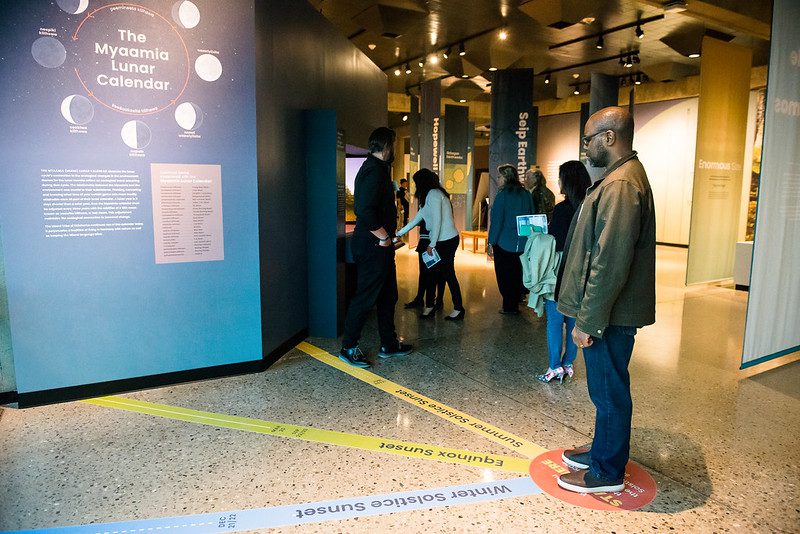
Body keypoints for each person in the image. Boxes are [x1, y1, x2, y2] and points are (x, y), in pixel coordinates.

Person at [556, 106, 656, 494]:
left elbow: (608, 261)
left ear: (610, 138)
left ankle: (606, 471)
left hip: (608, 316)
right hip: (608, 314)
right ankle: (603, 449)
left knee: (609, 391)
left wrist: (587, 321)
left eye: (589, 138)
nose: (585, 147)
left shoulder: (620, 185)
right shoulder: (619, 178)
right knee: (605, 389)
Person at [339, 127, 413, 368]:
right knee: (366, 296)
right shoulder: (374, 171)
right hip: (373, 245)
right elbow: (365, 210)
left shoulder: (378, 169)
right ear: (386, 146)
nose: (395, 149)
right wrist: (383, 237)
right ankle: (349, 347)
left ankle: (388, 344)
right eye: (394, 144)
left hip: (380, 246)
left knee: (388, 295)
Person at [536, 160, 592, 384]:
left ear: (566, 182)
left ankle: (554, 366)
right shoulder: (590, 205)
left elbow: (557, 242)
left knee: (554, 322)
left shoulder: (561, 209)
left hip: (560, 271)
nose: (558, 182)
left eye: (560, 178)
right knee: (572, 321)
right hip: (582, 273)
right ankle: (569, 363)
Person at [397, 169, 465, 320]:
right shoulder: (430, 195)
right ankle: (430, 306)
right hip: (441, 240)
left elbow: (437, 220)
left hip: (446, 240)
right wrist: (399, 233)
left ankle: (458, 308)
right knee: (432, 273)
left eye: (416, 182)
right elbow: (417, 218)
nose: (414, 185)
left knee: (448, 274)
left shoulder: (434, 194)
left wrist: (432, 244)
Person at [487, 164, 534, 314]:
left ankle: (509, 306)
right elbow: (531, 215)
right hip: (523, 242)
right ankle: (516, 299)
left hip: (504, 242)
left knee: (504, 275)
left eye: (500, 176)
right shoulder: (526, 194)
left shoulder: (502, 196)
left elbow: (497, 222)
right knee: (517, 273)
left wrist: (491, 242)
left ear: (506, 177)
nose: (498, 179)